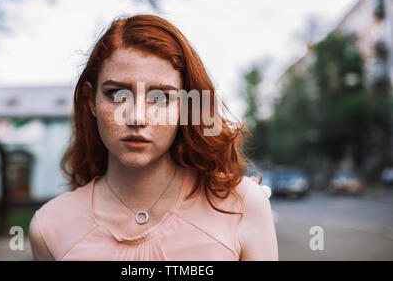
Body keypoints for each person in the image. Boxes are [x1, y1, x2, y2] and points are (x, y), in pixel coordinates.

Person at [28, 14, 278, 261]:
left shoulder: (241, 206)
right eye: (117, 94)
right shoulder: (50, 227)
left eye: (160, 97)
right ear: (90, 100)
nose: (136, 117)